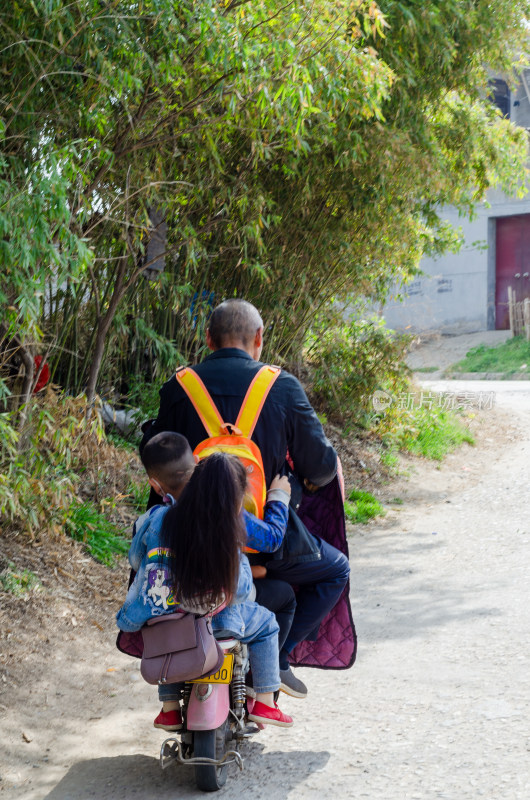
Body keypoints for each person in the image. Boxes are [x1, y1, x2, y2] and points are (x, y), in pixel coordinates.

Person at [141, 299, 351, 697]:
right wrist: (289, 489)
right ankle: (280, 657)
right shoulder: (282, 387)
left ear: (208, 339)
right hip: (261, 537)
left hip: (188, 537)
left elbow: (156, 455)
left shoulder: (178, 388)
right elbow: (321, 467)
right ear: (259, 339)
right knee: (335, 569)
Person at [117, 433, 294, 729]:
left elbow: (136, 561)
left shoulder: (156, 518)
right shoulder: (227, 518)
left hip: (171, 615)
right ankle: (265, 702)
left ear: (155, 484)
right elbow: (240, 589)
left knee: (168, 638)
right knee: (267, 623)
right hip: (223, 619)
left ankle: (169, 708)